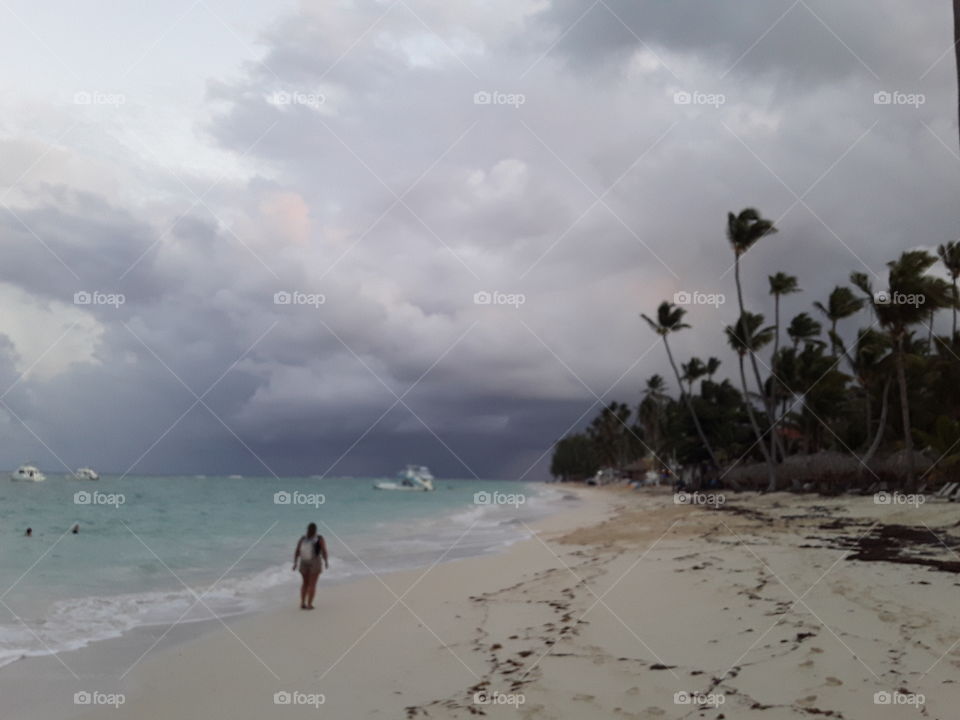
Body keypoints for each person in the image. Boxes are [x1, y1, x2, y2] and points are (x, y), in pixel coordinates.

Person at [293, 523, 328, 610]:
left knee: (305, 583)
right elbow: (324, 550)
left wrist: (295, 563)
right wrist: (326, 561)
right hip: (315, 561)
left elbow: (297, 551)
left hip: (303, 561)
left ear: (307, 529)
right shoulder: (319, 538)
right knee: (312, 584)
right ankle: (309, 605)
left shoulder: (303, 538)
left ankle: (302, 603)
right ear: (315, 530)